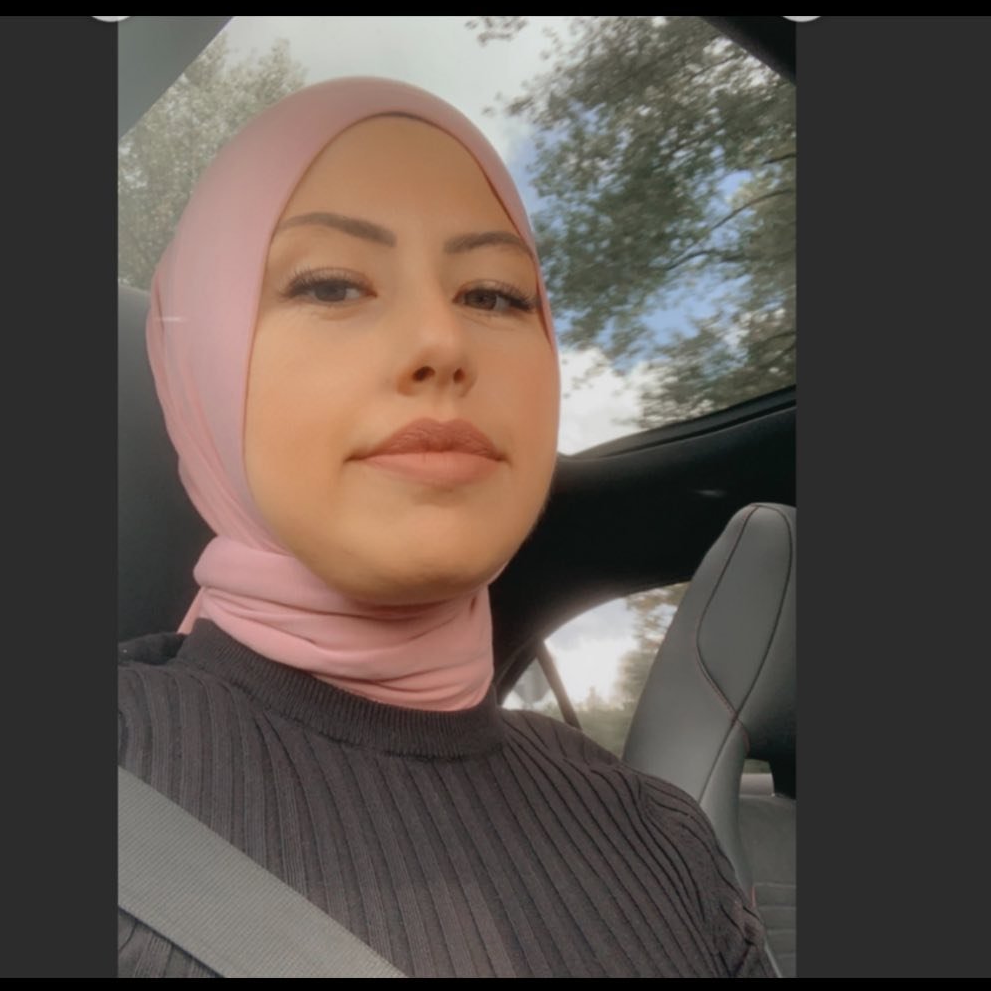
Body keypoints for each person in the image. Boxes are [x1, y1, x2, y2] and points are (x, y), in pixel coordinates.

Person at [118, 77, 774, 978]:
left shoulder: (668, 843)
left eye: (495, 296)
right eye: (332, 284)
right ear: (202, 365)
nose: (441, 342)